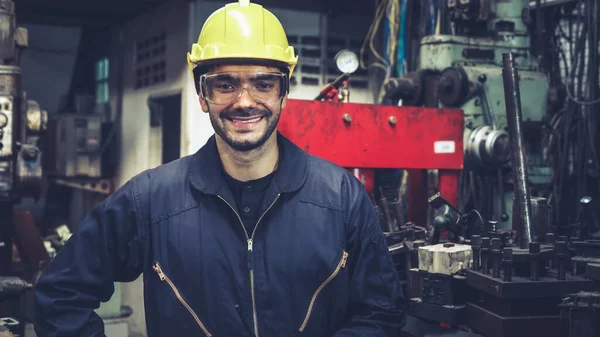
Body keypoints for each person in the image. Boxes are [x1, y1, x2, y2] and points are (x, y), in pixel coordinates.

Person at [33, 0, 405, 336]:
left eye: (263, 83)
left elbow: (381, 311)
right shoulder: (149, 201)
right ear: (202, 96)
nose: (245, 101)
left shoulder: (341, 199)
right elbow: (60, 295)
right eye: (225, 84)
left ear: (284, 94)